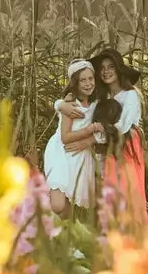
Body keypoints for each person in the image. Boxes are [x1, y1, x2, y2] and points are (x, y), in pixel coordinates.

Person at [89, 46, 147, 224]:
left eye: (110, 67)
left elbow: (123, 126)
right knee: (107, 190)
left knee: (124, 190)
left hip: (125, 146)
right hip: (106, 148)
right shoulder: (102, 97)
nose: (106, 72)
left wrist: (95, 136)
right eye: (102, 68)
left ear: (118, 69)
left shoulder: (130, 95)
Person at [43, 59, 105, 214]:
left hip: (82, 154)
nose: (88, 83)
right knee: (58, 204)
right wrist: (90, 129)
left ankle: (63, 231)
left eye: (90, 79)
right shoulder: (70, 103)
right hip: (62, 152)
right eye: (82, 80)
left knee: (73, 204)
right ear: (75, 83)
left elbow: (106, 130)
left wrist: (93, 136)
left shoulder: (97, 104)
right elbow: (65, 137)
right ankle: (36, 207)